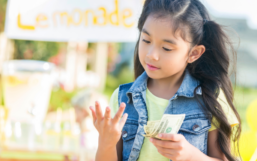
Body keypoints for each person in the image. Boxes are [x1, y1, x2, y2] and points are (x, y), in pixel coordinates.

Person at [89, 0, 241, 161]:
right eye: (146, 40)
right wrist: (106, 143)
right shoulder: (122, 99)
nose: (151, 54)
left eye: (166, 48)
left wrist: (191, 156)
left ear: (194, 53)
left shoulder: (212, 96)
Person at [71, 89, 108, 160]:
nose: (76, 119)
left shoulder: (86, 136)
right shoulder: (103, 135)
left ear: (84, 112)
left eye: (76, 112)